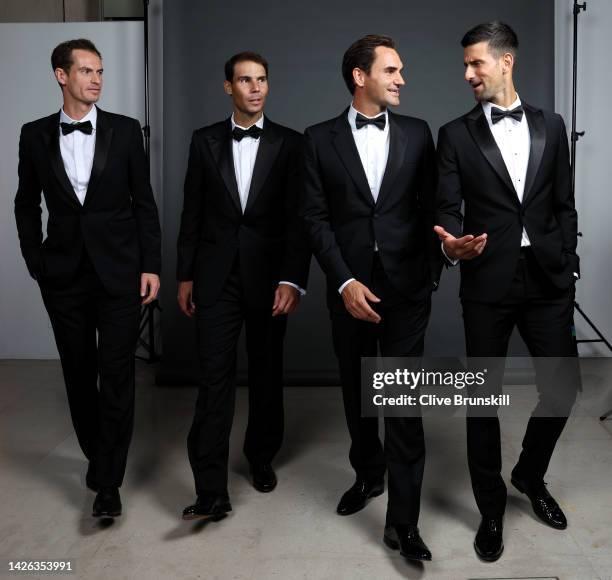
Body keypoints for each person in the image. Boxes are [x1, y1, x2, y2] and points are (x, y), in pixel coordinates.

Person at [435, 21, 579, 562]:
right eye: (466, 65)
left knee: (561, 388)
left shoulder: (551, 124)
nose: (469, 73)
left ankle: (529, 475)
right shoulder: (454, 134)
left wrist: (568, 265)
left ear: (506, 61)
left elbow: (563, 204)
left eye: (477, 63)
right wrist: (451, 246)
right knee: (481, 399)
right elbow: (447, 209)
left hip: (546, 278)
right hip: (486, 279)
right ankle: (490, 509)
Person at [301, 35, 441, 562]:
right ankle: (368, 475)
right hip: (349, 287)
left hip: (407, 289)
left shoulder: (417, 132)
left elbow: (433, 206)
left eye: (400, 70)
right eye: (391, 70)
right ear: (360, 77)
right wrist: (342, 281)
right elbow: (314, 219)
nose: (402, 79)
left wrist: (432, 270)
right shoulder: (317, 140)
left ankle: (403, 523)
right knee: (359, 393)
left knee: (403, 403)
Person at [14, 39, 162, 518]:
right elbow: (24, 203)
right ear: (62, 75)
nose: (96, 79)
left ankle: (107, 481)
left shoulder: (123, 131)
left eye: (100, 71)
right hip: (63, 278)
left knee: (117, 376)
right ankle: (99, 460)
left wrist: (150, 265)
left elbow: (145, 203)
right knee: (79, 376)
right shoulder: (34, 134)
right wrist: (36, 262)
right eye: (85, 71)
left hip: (120, 275)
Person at [177, 52, 310, 521]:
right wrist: (186, 275)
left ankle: (260, 456)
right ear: (228, 87)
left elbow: (299, 220)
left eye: (262, 80)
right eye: (244, 80)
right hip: (215, 279)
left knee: (266, 374)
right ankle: (211, 490)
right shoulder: (203, 141)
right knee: (213, 383)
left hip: (271, 279)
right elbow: (191, 210)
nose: (255, 88)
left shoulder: (292, 144)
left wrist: (293, 278)